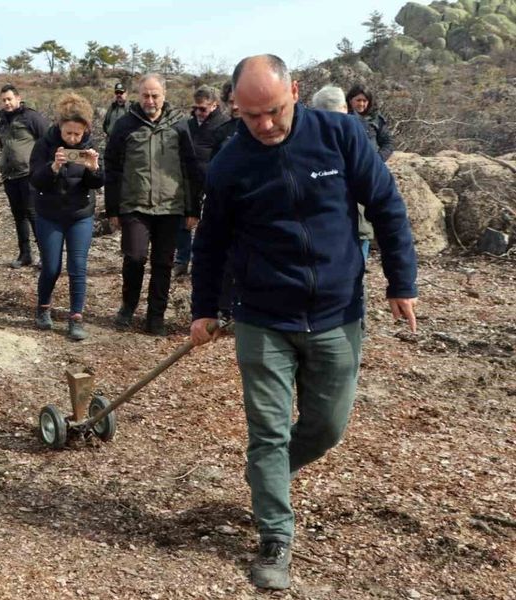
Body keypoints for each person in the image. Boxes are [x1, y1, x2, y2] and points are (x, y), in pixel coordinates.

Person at [190, 55, 418, 590]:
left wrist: (401, 281)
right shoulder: (230, 162)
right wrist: (204, 308)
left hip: (337, 311)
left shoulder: (341, 135)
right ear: (234, 108)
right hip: (263, 316)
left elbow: (386, 205)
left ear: (295, 90)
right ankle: (275, 535)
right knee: (268, 432)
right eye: (251, 116)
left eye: (273, 110)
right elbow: (211, 243)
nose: (265, 125)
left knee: (327, 426)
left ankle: (267, 475)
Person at [104, 73, 195, 335]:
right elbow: (112, 168)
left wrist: (192, 209)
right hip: (135, 205)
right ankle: (128, 306)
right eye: (145, 95)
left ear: (164, 96)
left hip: (170, 206)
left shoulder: (179, 125)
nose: (150, 100)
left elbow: (189, 168)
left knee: (163, 264)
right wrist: (112, 209)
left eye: (155, 95)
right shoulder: (125, 125)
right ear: (138, 95)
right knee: (134, 257)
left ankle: (156, 317)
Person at [28, 93, 104, 341]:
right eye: (68, 133)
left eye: (77, 134)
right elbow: (35, 180)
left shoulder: (89, 147)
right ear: (59, 126)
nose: (72, 138)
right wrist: (53, 167)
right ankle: (43, 307)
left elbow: (97, 183)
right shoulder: (44, 145)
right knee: (51, 267)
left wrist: (94, 169)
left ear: (86, 130)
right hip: (49, 214)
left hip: (80, 214)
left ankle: (76, 318)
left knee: (78, 267)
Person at [173, 85, 225, 278]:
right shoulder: (187, 124)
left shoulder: (223, 125)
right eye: (195, 108)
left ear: (214, 105)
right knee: (184, 221)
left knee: (208, 224)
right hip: (188, 180)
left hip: (212, 182)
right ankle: (182, 260)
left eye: (202, 109)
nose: (198, 113)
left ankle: (202, 261)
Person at [0, 84, 49, 268]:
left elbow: (46, 141)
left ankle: (45, 255)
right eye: (3, 100)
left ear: (18, 98)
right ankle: (25, 254)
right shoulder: (1, 123)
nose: (7, 103)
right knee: (18, 215)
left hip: (29, 174)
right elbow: (3, 146)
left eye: (9, 99)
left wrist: (43, 168)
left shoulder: (31, 117)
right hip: (10, 176)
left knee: (34, 214)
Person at [347, 84, 392, 260]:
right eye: (358, 100)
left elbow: (388, 143)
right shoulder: (341, 117)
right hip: (345, 175)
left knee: (365, 226)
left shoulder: (376, 120)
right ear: (350, 100)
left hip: (368, 176)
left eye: (365, 101)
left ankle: (361, 262)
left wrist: (377, 161)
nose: (361, 104)